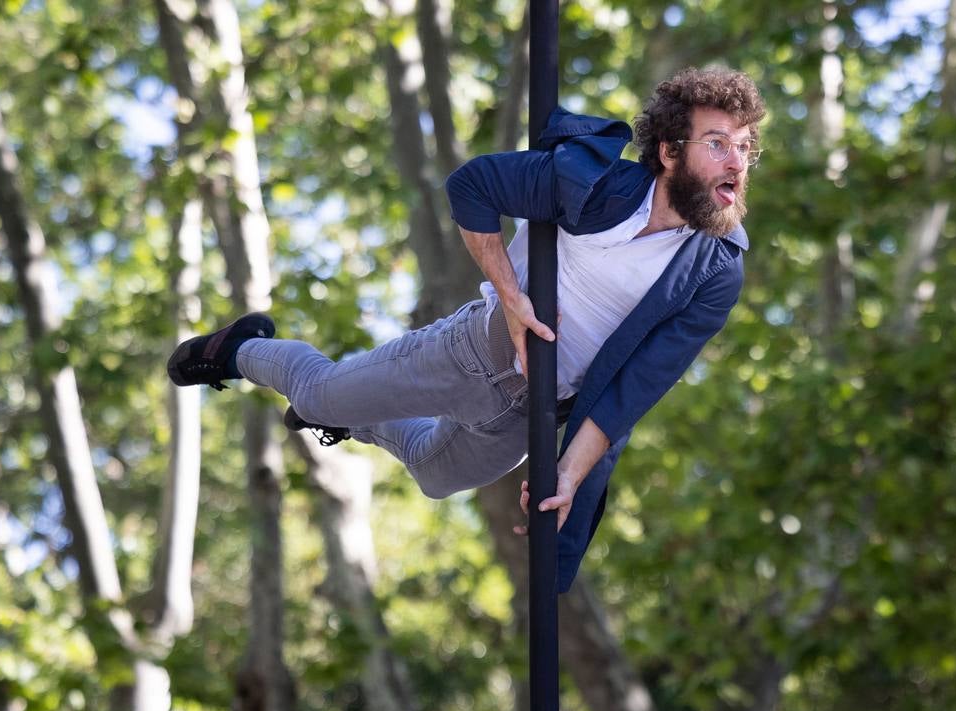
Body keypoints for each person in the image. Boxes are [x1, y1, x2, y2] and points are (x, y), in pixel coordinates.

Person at [167, 66, 765, 591]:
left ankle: (351, 417)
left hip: (536, 410)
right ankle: (242, 348)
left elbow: (630, 393)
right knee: (319, 392)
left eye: (744, 147)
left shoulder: (714, 271)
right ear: (668, 152)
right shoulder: (598, 184)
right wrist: (512, 301)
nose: (736, 162)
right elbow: (472, 186)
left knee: (433, 475)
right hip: (474, 352)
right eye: (717, 144)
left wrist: (564, 478)